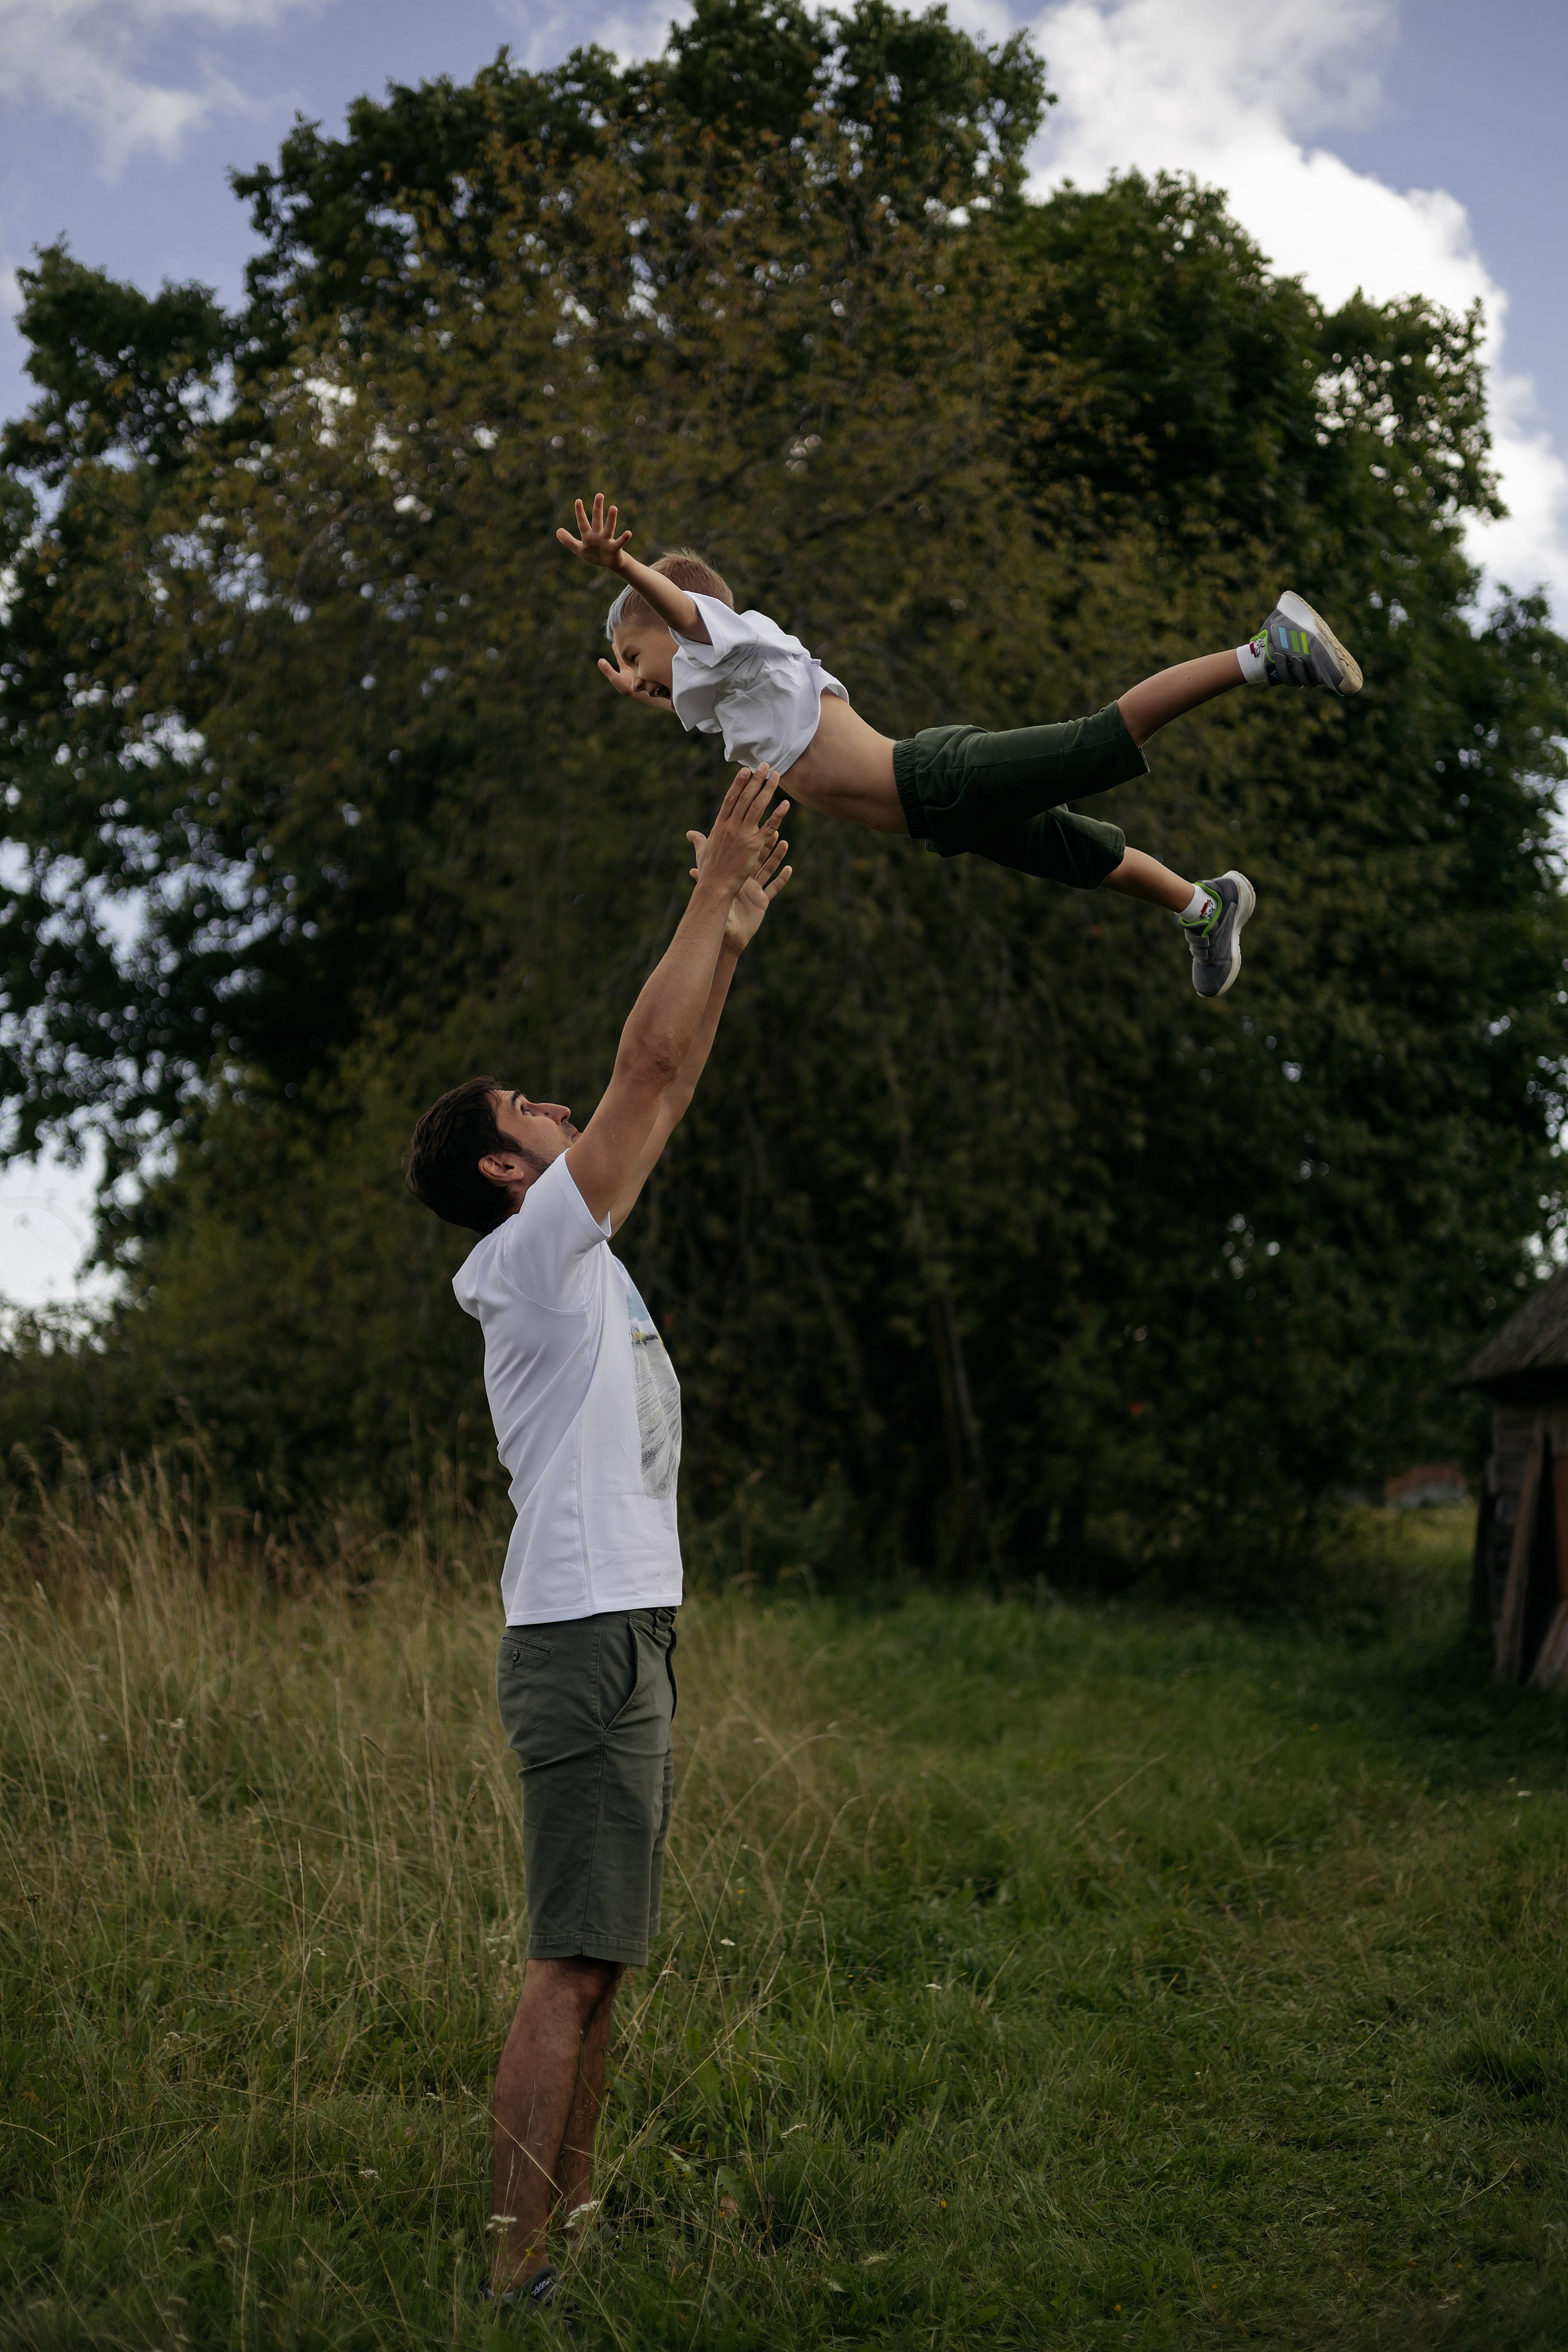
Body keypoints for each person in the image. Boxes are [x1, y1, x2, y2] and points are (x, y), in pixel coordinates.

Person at [404, 768, 790, 2310]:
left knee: (601, 1961)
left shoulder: (579, 1256)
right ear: (509, 1169)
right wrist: (703, 902)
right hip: (577, 1641)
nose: (562, 1108)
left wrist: (734, 922)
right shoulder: (525, 1261)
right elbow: (647, 1075)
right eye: (533, 1113)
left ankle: (560, 2247)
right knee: (565, 1964)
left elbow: (665, 1078)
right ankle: (513, 2278)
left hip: (629, 1632)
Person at [556, 492, 1366, 1001]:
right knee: (1076, 855)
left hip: (932, 778)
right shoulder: (730, 686)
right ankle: (1205, 904)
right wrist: (650, 691)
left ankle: (1266, 651)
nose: (635, 676)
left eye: (634, 656)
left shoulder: (729, 638)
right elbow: (685, 679)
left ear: (669, 621)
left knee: (1097, 742)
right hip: (938, 811)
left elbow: (688, 619)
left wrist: (620, 562)